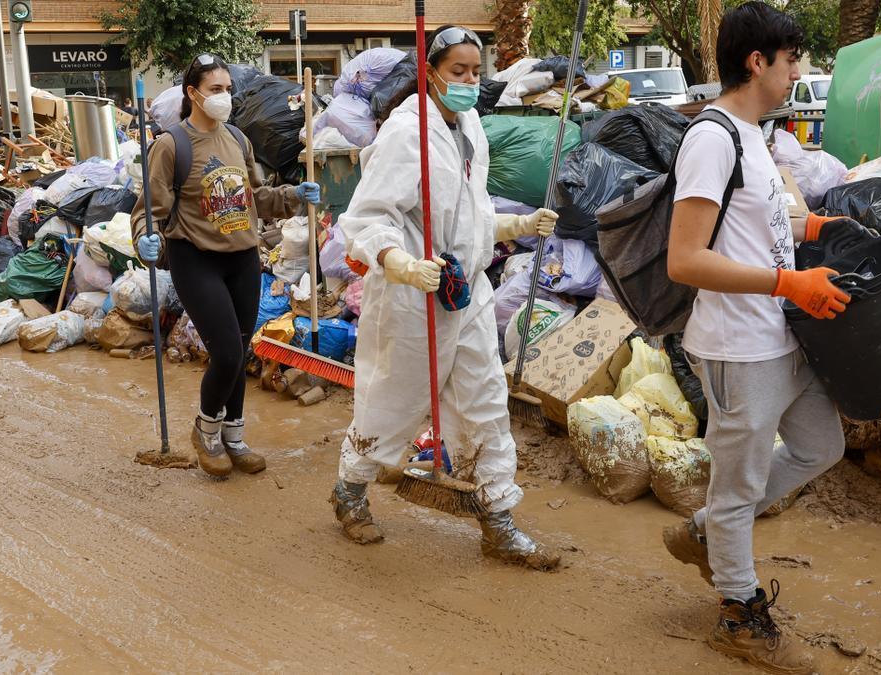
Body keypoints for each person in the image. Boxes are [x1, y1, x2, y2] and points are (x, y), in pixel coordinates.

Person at [328, 25, 561, 570]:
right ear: (430, 72)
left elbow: (467, 215)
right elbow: (367, 216)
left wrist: (517, 225)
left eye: (476, 72)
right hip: (412, 297)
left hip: (466, 289)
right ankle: (351, 489)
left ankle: (497, 517)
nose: (469, 82)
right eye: (458, 72)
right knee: (394, 401)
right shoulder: (406, 133)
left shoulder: (471, 127)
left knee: (485, 402)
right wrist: (401, 264)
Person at [663, 3, 852, 672]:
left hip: (781, 336)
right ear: (757, 62)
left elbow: (763, 226)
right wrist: (787, 284)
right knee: (739, 485)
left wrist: (820, 231)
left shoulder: (754, 136)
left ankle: (711, 532)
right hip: (736, 345)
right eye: (792, 58)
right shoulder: (712, 138)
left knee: (821, 445)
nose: (798, 71)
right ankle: (737, 614)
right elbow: (684, 258)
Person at [131, 54, 321, 477]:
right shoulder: (171, 145)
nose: (224, 97)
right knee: (228, 353)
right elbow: (149, 208)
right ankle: (206, 429)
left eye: (227, 89)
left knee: (239, 347)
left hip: (243, 259)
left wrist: (292, 195)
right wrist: (144, 236)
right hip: (195, 258)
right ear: (193, 93)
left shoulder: (237, 137)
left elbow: (257, 197)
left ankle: (234, 437)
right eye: (216, 90)